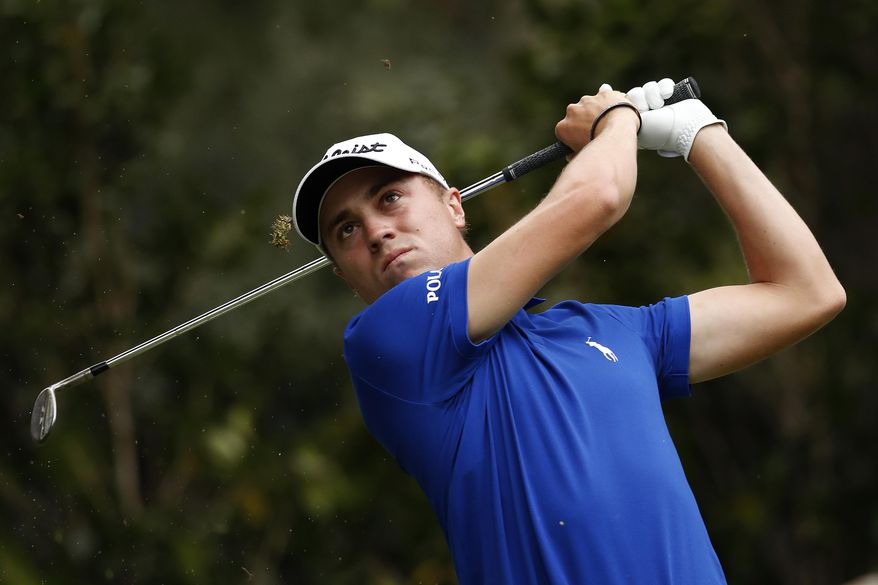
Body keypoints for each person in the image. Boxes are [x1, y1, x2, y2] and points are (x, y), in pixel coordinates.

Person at [290, 79, 845, 584]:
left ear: (454, 205)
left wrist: (697, 131)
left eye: (389, 198)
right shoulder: (385, 341)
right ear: (344, 276)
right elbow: (598, 196)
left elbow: (806, 292)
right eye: (347, 230)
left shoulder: (609, 330)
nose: (378, 232)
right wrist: (616, 119)